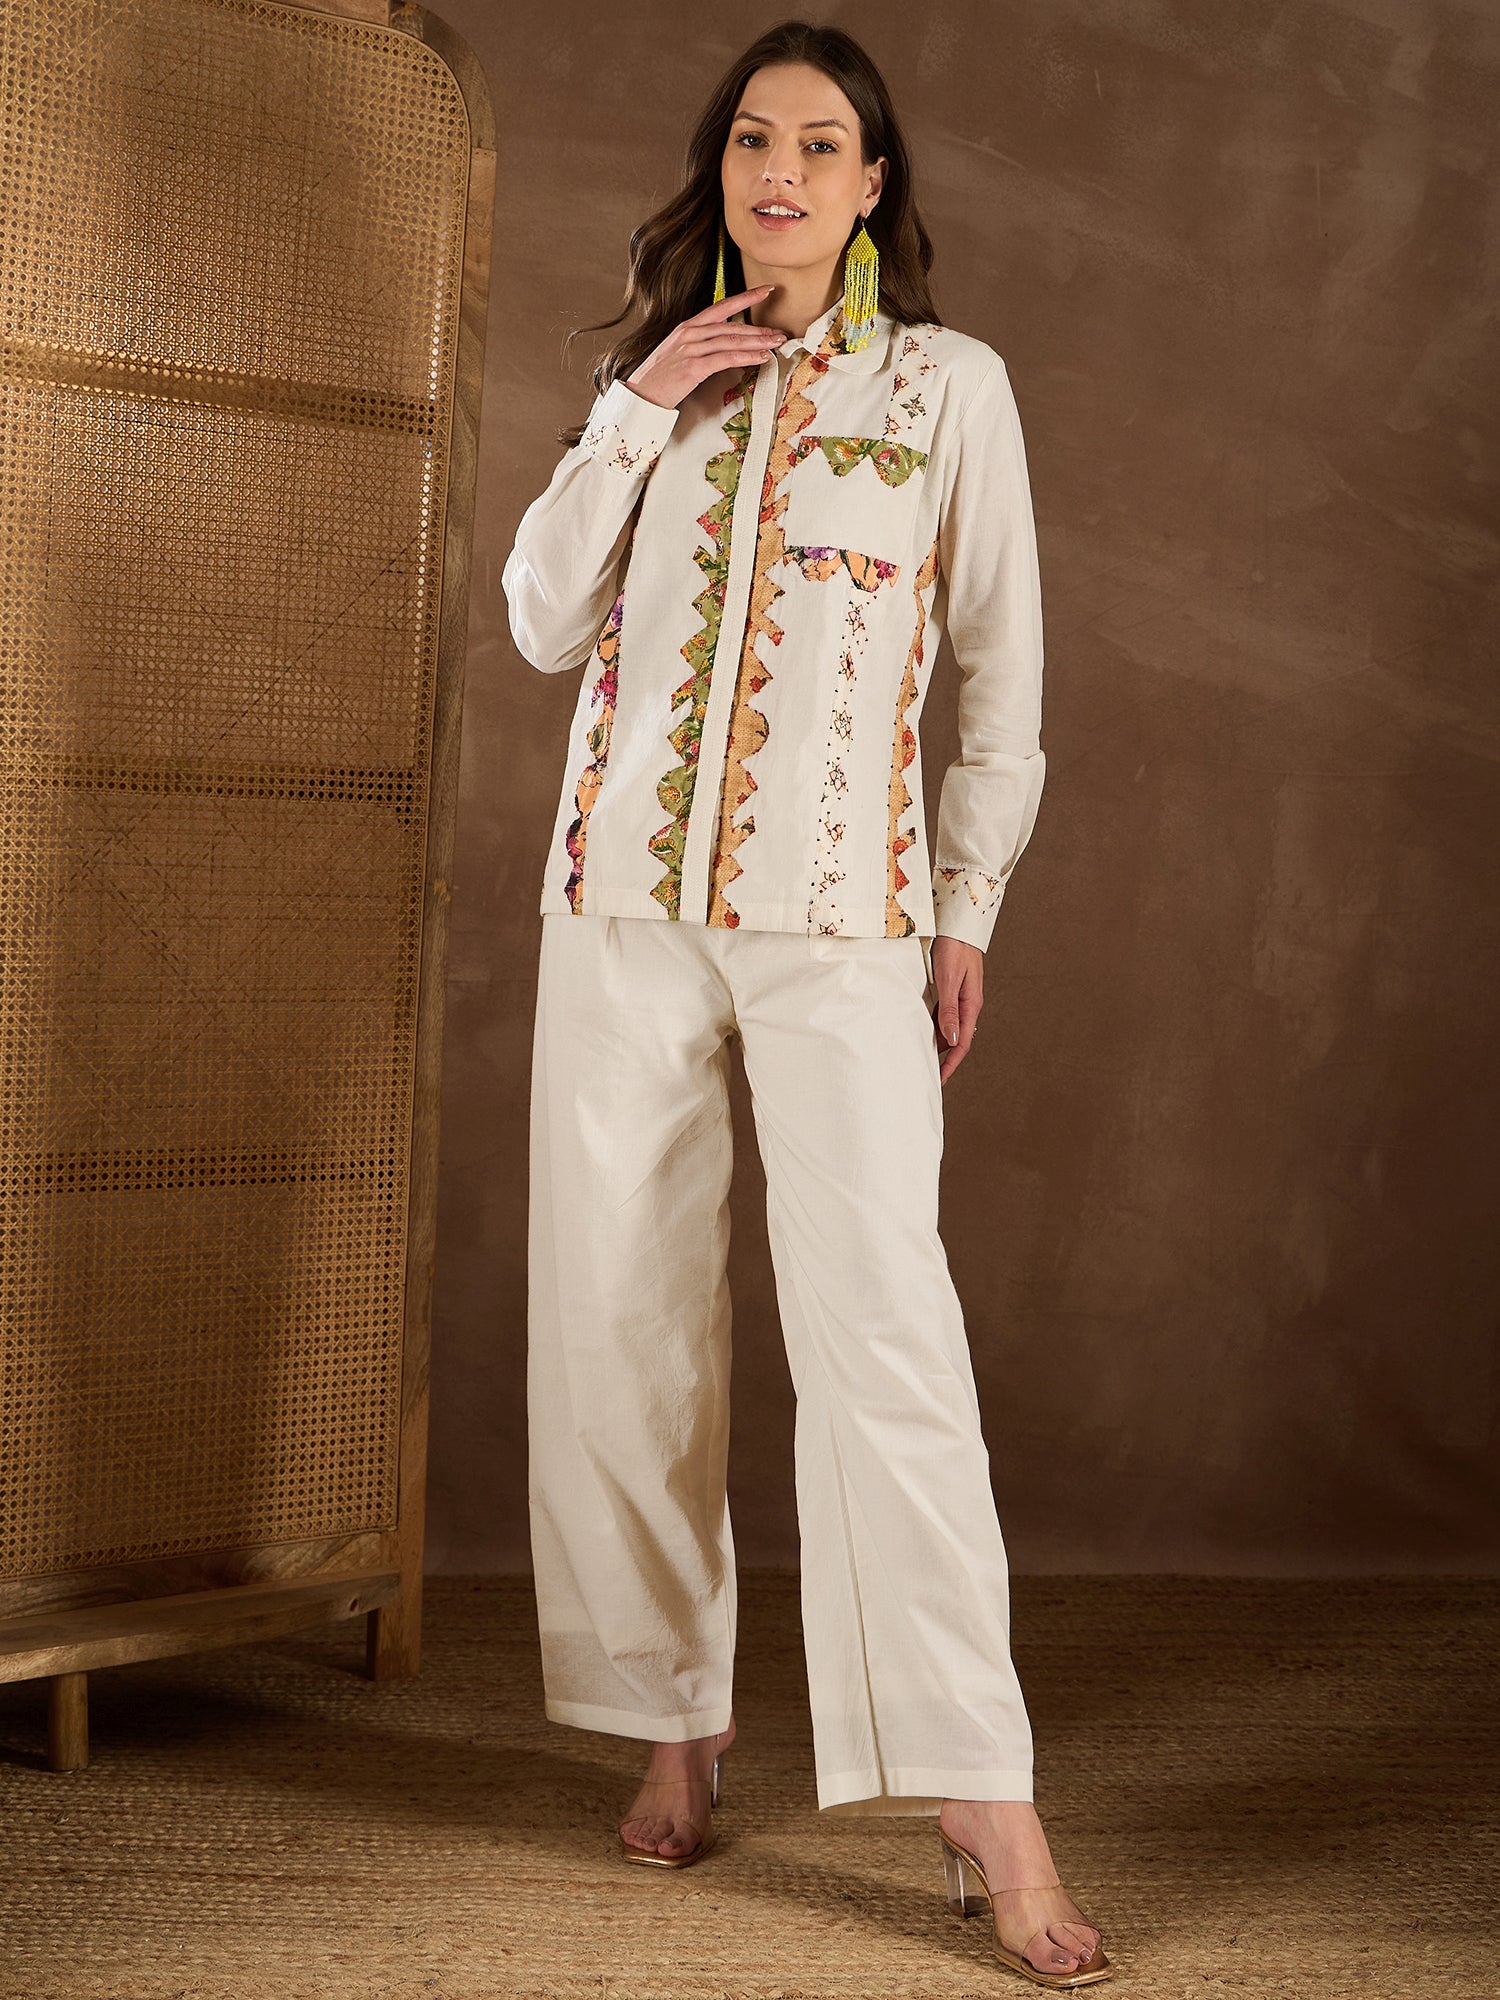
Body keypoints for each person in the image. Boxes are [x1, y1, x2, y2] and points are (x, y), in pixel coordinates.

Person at [501, 18, 1111, 1989]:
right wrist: (636, 406)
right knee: (619, 1315)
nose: (780, 170)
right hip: (620, 906)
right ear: (724, 171)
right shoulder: (649, 383)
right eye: (753, 138)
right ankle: (674, 1714)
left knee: (884, 1336)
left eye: (820, 143)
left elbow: (1003, 673)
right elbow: (538, 619)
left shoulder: (948, 388)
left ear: (870, 187)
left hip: (845, 918)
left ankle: (981, 1789)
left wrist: (969, 904)